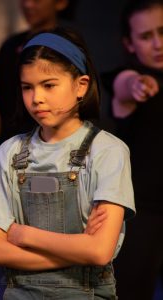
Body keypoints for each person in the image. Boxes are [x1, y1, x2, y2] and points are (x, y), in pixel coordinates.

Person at [0, 27, 136, 299]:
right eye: (27, 87)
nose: (37, 98)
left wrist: (24, 236)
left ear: (80, 86)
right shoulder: (9, 153)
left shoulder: (107, 151)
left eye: (49, 85)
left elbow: (99, 251)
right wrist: (78, 248)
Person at [101, 0, 163, 299]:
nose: (158, 43)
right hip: (142, 213)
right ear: (129, 43)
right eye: (146, 36)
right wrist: (138, 84)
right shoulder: (125, 78)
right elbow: (124, 84)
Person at [0, 0, 75, 169]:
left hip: (55, 149)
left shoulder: (69, 46)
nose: (28, 5)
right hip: (12, 147)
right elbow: (0, 102)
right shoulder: (11, 46)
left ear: (60, 3)